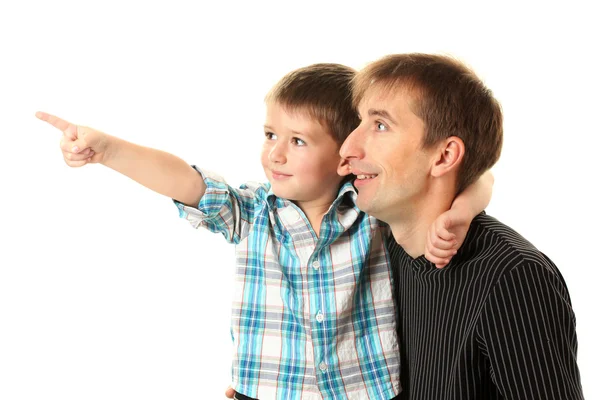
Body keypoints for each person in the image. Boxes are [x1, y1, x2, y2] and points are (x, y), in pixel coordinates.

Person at [36, 63, 492, 400]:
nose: (275, 154)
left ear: (345, 154)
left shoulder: (373, 213)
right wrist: (110, 150)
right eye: (270, 134)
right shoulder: (255, 213)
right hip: (267, 392)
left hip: (365, 392)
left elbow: (481, 177)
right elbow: (184, 181)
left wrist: (463, 213)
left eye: (297, 141)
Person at [338, 53, 584, 399]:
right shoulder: (368, 244)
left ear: (444, 156)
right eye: (359, 122)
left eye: (380, 125)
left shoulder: (512, 276)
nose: (348, 147)